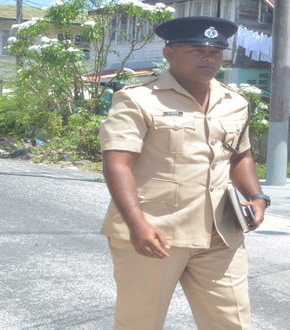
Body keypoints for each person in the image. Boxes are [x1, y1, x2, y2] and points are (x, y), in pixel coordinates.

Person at [99, 16, 271, 330]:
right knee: (140, 323)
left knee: (233, 323)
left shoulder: (236, 103)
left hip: (220, 233)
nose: (209, 58)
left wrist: (257, 198)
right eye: (197, 51)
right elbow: (117, 163)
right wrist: (136, 224)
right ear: (169, 54)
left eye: (215, 53)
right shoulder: (138, 99)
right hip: (156, 232)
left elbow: (240, 154)